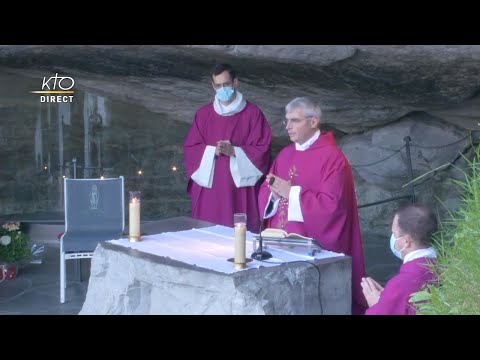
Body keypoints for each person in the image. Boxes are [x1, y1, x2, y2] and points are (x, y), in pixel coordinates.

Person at [257, 96, 367, 315]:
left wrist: (293, 193)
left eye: (295, 120)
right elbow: (266, 188)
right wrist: (274, 196)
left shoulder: (333, 158)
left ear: (314, 121)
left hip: (311, 246)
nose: (287, 126)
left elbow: (333, 208)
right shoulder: (286, 154)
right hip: (279, 241)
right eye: (286, 120)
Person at [184, 63, 272, 232]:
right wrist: (211, 151)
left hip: (239, 190)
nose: (222, 89)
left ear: (235, 83)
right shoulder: (203, 114)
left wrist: (235, 152)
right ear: (212, 85)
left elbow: (263, 149)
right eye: (218, 85)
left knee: (240, 239)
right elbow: (191, 148)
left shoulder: (252, 114)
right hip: (211, 188)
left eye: (226, 84)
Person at [361, 204, 438, 315]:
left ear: (406, 241)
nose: (393, 238)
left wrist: (376, 306)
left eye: (394, 234)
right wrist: (389, 300)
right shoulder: (444, 265)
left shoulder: (401, 283)